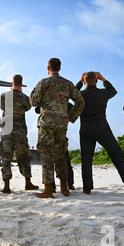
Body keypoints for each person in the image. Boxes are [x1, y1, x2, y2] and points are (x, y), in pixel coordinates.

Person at [78, 72, 124, 194]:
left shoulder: (80, 94)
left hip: (85, 128)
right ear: (96, 80)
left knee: (86, 159)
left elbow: (69, 94)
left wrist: (79, 82)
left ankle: (87, 188)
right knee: (117, 154)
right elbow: (113, 90)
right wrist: (103, 78)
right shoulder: (102, 93)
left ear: (84, 81)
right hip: (102, 127)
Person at [30, 58, 85, 199]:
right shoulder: (67, 83)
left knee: (46, 155)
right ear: (59, 68)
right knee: (60, 154)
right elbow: (80, 101)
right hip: (62, 123)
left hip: (46, 123)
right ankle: (64, 188)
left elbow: (33, 102)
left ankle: (48, 189)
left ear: (48, 67)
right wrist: (70, 117)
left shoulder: (43, 82)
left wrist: (33, 92)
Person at [0, 75, 39, 194]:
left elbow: (0, 105)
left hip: (6, 131)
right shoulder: (25, 98)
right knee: (24, 157)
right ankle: (28, 183)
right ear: (22, 83)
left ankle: (6, 186)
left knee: (6, 157)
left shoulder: (3, 96)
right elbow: (27, 107)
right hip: (20, 131)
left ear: (12, 82)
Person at [35, 105, 75, 191]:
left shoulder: (46, 99)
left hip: (47, 132)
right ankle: (68, 184)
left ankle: (53, 187)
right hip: (59, 130)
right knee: (63, 158)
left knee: (50, 160)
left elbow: (37, 109)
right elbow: (73, 109)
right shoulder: (64, 100)